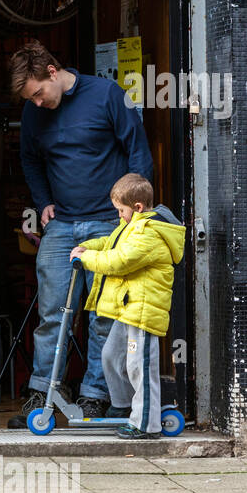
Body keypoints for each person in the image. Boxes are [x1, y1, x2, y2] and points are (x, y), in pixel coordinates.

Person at [7, 40, 153, 429]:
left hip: (109, 222)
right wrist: (43, 203)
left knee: (103, 314)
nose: (36, 103)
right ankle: (44, 390)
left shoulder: (107, 95)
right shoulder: (34, 112)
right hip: (63, 224)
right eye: (30, 99)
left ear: (52, 72)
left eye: (38, 93)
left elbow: (138, 151)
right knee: (52, 310)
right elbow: (29, 159)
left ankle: (96, 395)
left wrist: (134, 214)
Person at [71, 173, 185, 438]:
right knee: (111, 356)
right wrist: (86, 248)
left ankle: (146, 425)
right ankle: (123, 407)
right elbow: (111, 243)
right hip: (128, 309)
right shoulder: (133, 225)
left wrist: (88, 261)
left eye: (121, 211)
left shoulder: (149, 233)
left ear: (137, 208)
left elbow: (120, 260)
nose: (119, 216)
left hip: (142, 312)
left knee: (140, 367)